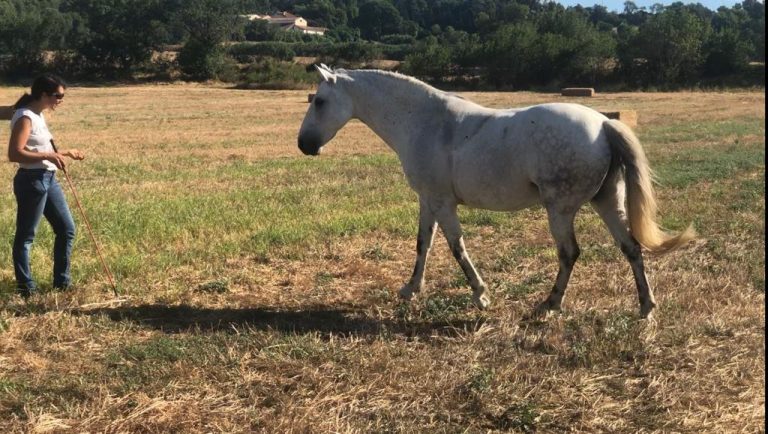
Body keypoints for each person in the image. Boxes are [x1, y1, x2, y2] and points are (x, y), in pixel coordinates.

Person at [7, 74, 85, 298]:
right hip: (32, 180)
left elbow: (39, 150)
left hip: (48, 179)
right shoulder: (25, 117)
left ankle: (62, 283)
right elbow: (15, 154)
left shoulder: (38, 115)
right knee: (26, 236)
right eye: (58, 96)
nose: (61, 100)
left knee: (66, 229)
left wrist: (64, 153)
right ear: (43, 94)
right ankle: (27, 289)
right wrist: (50, 156)